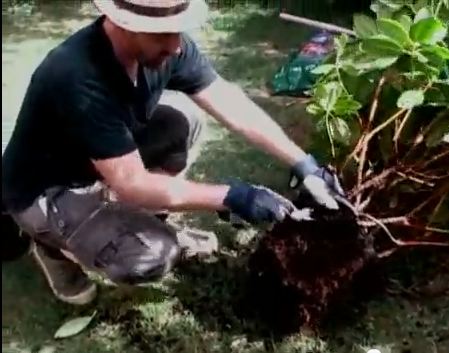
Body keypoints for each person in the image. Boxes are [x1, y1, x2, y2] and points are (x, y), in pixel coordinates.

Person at [1, 0, 345, 305]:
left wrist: (304, 164)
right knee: (151, 255)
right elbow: (131, 183)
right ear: (123, 25)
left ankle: (135, 219)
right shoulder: (77, 76)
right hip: (46, 191)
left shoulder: (165, 48)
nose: (177, 47)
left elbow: (230, 102)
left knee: (185, 120)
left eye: (178, 31)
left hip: (93, 160)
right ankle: (48, 244)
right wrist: (234, 196)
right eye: (163, 34)